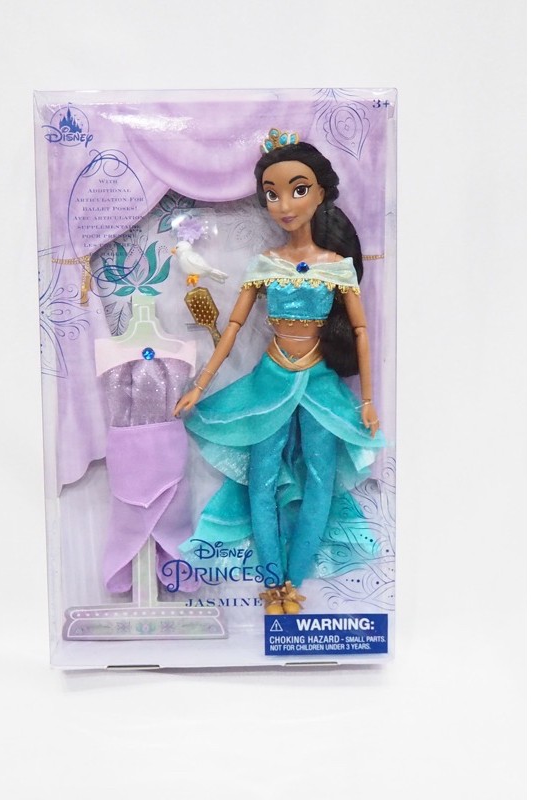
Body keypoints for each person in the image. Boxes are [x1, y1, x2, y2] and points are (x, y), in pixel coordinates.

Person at [173, 129, 384, 615]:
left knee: (320, 478)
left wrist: (368, 400)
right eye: (272, 194)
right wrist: (200, 385)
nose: (284, 205)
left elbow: (360, 333)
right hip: (270, 380)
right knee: (261, 480)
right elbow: (232, 328)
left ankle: (294, 581)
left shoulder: (336, 266)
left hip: (319, 383)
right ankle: (273, 584)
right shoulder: (265, 263)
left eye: (298, 190)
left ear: (321, 193)